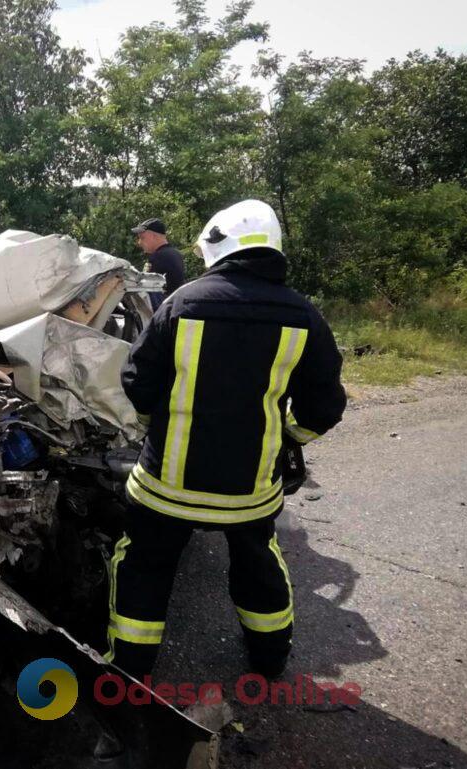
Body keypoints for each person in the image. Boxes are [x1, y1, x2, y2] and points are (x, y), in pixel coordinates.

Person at [109, 200, 346, 679]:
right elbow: (325, 407)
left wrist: (160, 422)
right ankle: (269, 661)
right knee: (258, 565)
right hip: (249, 493)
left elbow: (137, 384)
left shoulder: (181, 303)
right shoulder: (304, 315)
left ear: (217, 246)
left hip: (165, 488)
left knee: (143, 569)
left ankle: (131, 672)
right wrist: (288, 438)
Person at [131, 217, 185, 301]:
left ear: (153, 236)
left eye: (142, 238)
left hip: (164, 308)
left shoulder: (158, 257)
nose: (139, 242)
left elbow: (144, 290)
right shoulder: (175, 253)